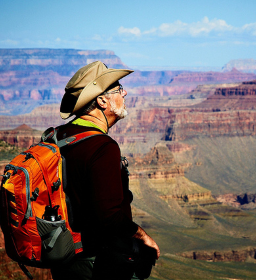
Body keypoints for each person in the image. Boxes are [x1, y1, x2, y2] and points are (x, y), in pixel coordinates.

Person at [51, 61, 160, 280]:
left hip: (65, 261)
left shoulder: (58, 137)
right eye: (119, 89)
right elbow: (109, 217)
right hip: (97, 264)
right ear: (102, 100)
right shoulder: (102, 147)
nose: (125, 92)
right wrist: (142, 237)